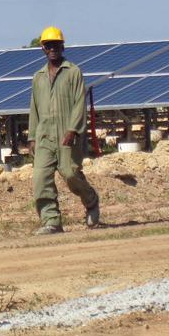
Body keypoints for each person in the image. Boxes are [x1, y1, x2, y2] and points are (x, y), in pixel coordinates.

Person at [28, 26, 100, 235]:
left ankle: (91, 200)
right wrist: (32, 136)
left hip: (67, 132)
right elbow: (34, 108)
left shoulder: (73, 72)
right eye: (48, 45)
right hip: (43, 134)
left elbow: (79, 103)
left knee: (70, 173)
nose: (52, 49)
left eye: (56, 45)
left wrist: (73, 129)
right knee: (40, 178)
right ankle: (51, 221)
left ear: (62, 46)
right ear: (43, 48)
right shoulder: (38, 77)